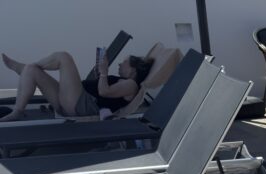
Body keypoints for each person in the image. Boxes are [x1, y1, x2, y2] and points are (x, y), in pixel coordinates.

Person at [0, 48, 152, 122]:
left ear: (133, 70)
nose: (120, 64)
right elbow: (103, 91)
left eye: (124, 62)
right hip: (74, 102)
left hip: (82, 105)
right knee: (32, 71)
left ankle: (24, 68)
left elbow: (104, 92)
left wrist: (104, 72)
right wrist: (100, 74)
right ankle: (18, 111)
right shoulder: (124, 81)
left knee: (64, 57)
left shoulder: (131, 85)